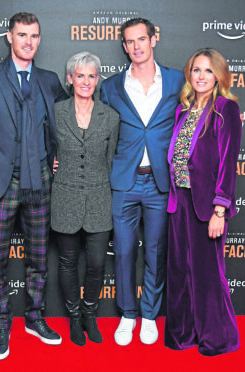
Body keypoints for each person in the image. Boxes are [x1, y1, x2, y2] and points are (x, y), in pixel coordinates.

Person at [0, 12, 68, 360]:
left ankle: (35, 318)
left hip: (40, 181)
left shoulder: (49, 81)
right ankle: (2, 323)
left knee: (38, 257)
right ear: (9, 37)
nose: (29, 41)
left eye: (34, 35)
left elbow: (62, 124)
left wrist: (54, 155)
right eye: (22, 34)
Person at [100, 18, 184, 346]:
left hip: (161, 182)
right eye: (130, 41)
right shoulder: (110, 86)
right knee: (122, 251)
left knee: (155, 250)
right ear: (124, 46)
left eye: (141, 40)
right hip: (124, 181)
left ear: (153, 40)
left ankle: (149, 314)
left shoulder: (178, 80)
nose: (136, 46)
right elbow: (100, 133)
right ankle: (128, 314)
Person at [164, 48, 242, 356]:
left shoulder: (226, 109)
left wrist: (219, 209)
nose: (201, 76)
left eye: (208, 71)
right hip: (179, 200)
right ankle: (183, 334)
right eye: (196, 70)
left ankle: (219, 338)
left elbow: (228, 161)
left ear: (219, 76)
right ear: (189, 74)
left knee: (208, 274)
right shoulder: (183, 110)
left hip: (207, 205)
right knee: (179, 270)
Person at [51, 52, 119, 346]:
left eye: (92, 76)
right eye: (80, 75)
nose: (86, 81)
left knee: (96, 264)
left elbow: (110, 160)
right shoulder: (55, 112)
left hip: (99, 199)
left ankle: (91, 315)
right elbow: (44, 149)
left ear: (97, 80)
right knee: (67, 263)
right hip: (64, 197)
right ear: (70, 78)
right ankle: (74, 318)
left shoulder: (111, 117)